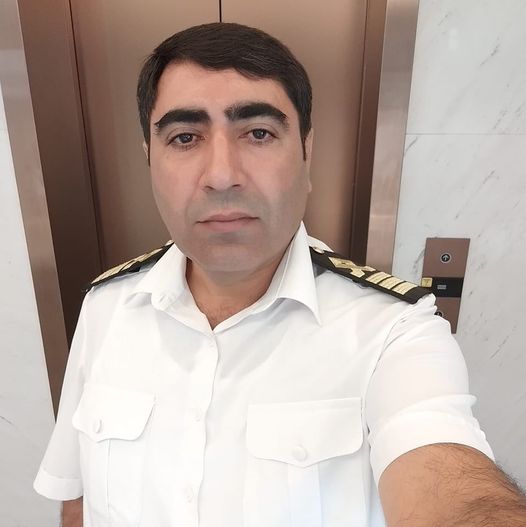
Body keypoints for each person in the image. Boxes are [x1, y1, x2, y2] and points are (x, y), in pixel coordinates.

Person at [34, 22, 526, 527]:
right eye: (184, 137)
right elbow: (78, 501)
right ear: (149, 159)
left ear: (307, 152)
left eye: (259, 133)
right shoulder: (106, 308)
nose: (221, 176)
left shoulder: (394, 333)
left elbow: (451, 488)